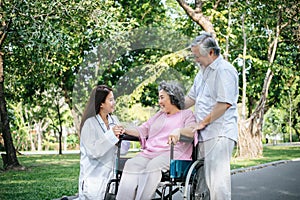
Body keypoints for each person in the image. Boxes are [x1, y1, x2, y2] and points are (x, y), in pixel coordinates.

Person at [116, 81, 196, 200]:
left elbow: (192, 131)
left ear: (173, 97)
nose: (159, 102)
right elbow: (143, 130)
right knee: (131, 164)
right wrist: (124, 130)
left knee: (153, 166)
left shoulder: (186, 114)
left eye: (162, 97)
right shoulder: (159, 115)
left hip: (172, 154)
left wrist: (179, 131)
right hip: (151, 153)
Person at [184, 32, 239, 200]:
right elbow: (191, 98)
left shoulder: (224, 70)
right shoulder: (202, 72)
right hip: (203, 136)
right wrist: (171, 106)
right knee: (202, 185)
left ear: (211, 53)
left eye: (197, 56)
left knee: (218, 183)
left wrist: (202, 122)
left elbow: (224, 103)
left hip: (219, 133)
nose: (196, 60)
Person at [76, 85, 130, 200]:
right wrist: (111, 136)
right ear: (101, 103)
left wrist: (120, 138)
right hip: (93, 180)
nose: (114, 102)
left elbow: (124, 150)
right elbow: (93, 152)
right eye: (110, 100)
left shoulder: (114, 120)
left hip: (111, 179)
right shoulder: (89, 124)